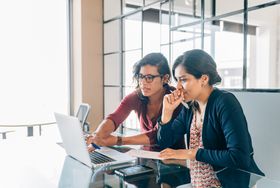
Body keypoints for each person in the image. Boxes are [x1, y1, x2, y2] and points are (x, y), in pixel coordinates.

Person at [157, 49, 264, 187]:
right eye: (177, 80)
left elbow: (239, 157)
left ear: (204, 79)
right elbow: (164, 142)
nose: (177, 87)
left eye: (183, 80)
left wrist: (191, 153)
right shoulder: (190, 107)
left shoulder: (225, 102)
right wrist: (167, 112)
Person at [87, 53, 184, 149]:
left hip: (172, 161)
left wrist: (119, 140)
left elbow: (157, 136)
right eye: (141, 76)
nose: (143, 82)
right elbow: (114, 118)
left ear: (165, 78)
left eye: (149, 78)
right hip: (146, 157)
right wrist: (97, 136)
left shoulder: (175, 99)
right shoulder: (136, 96)